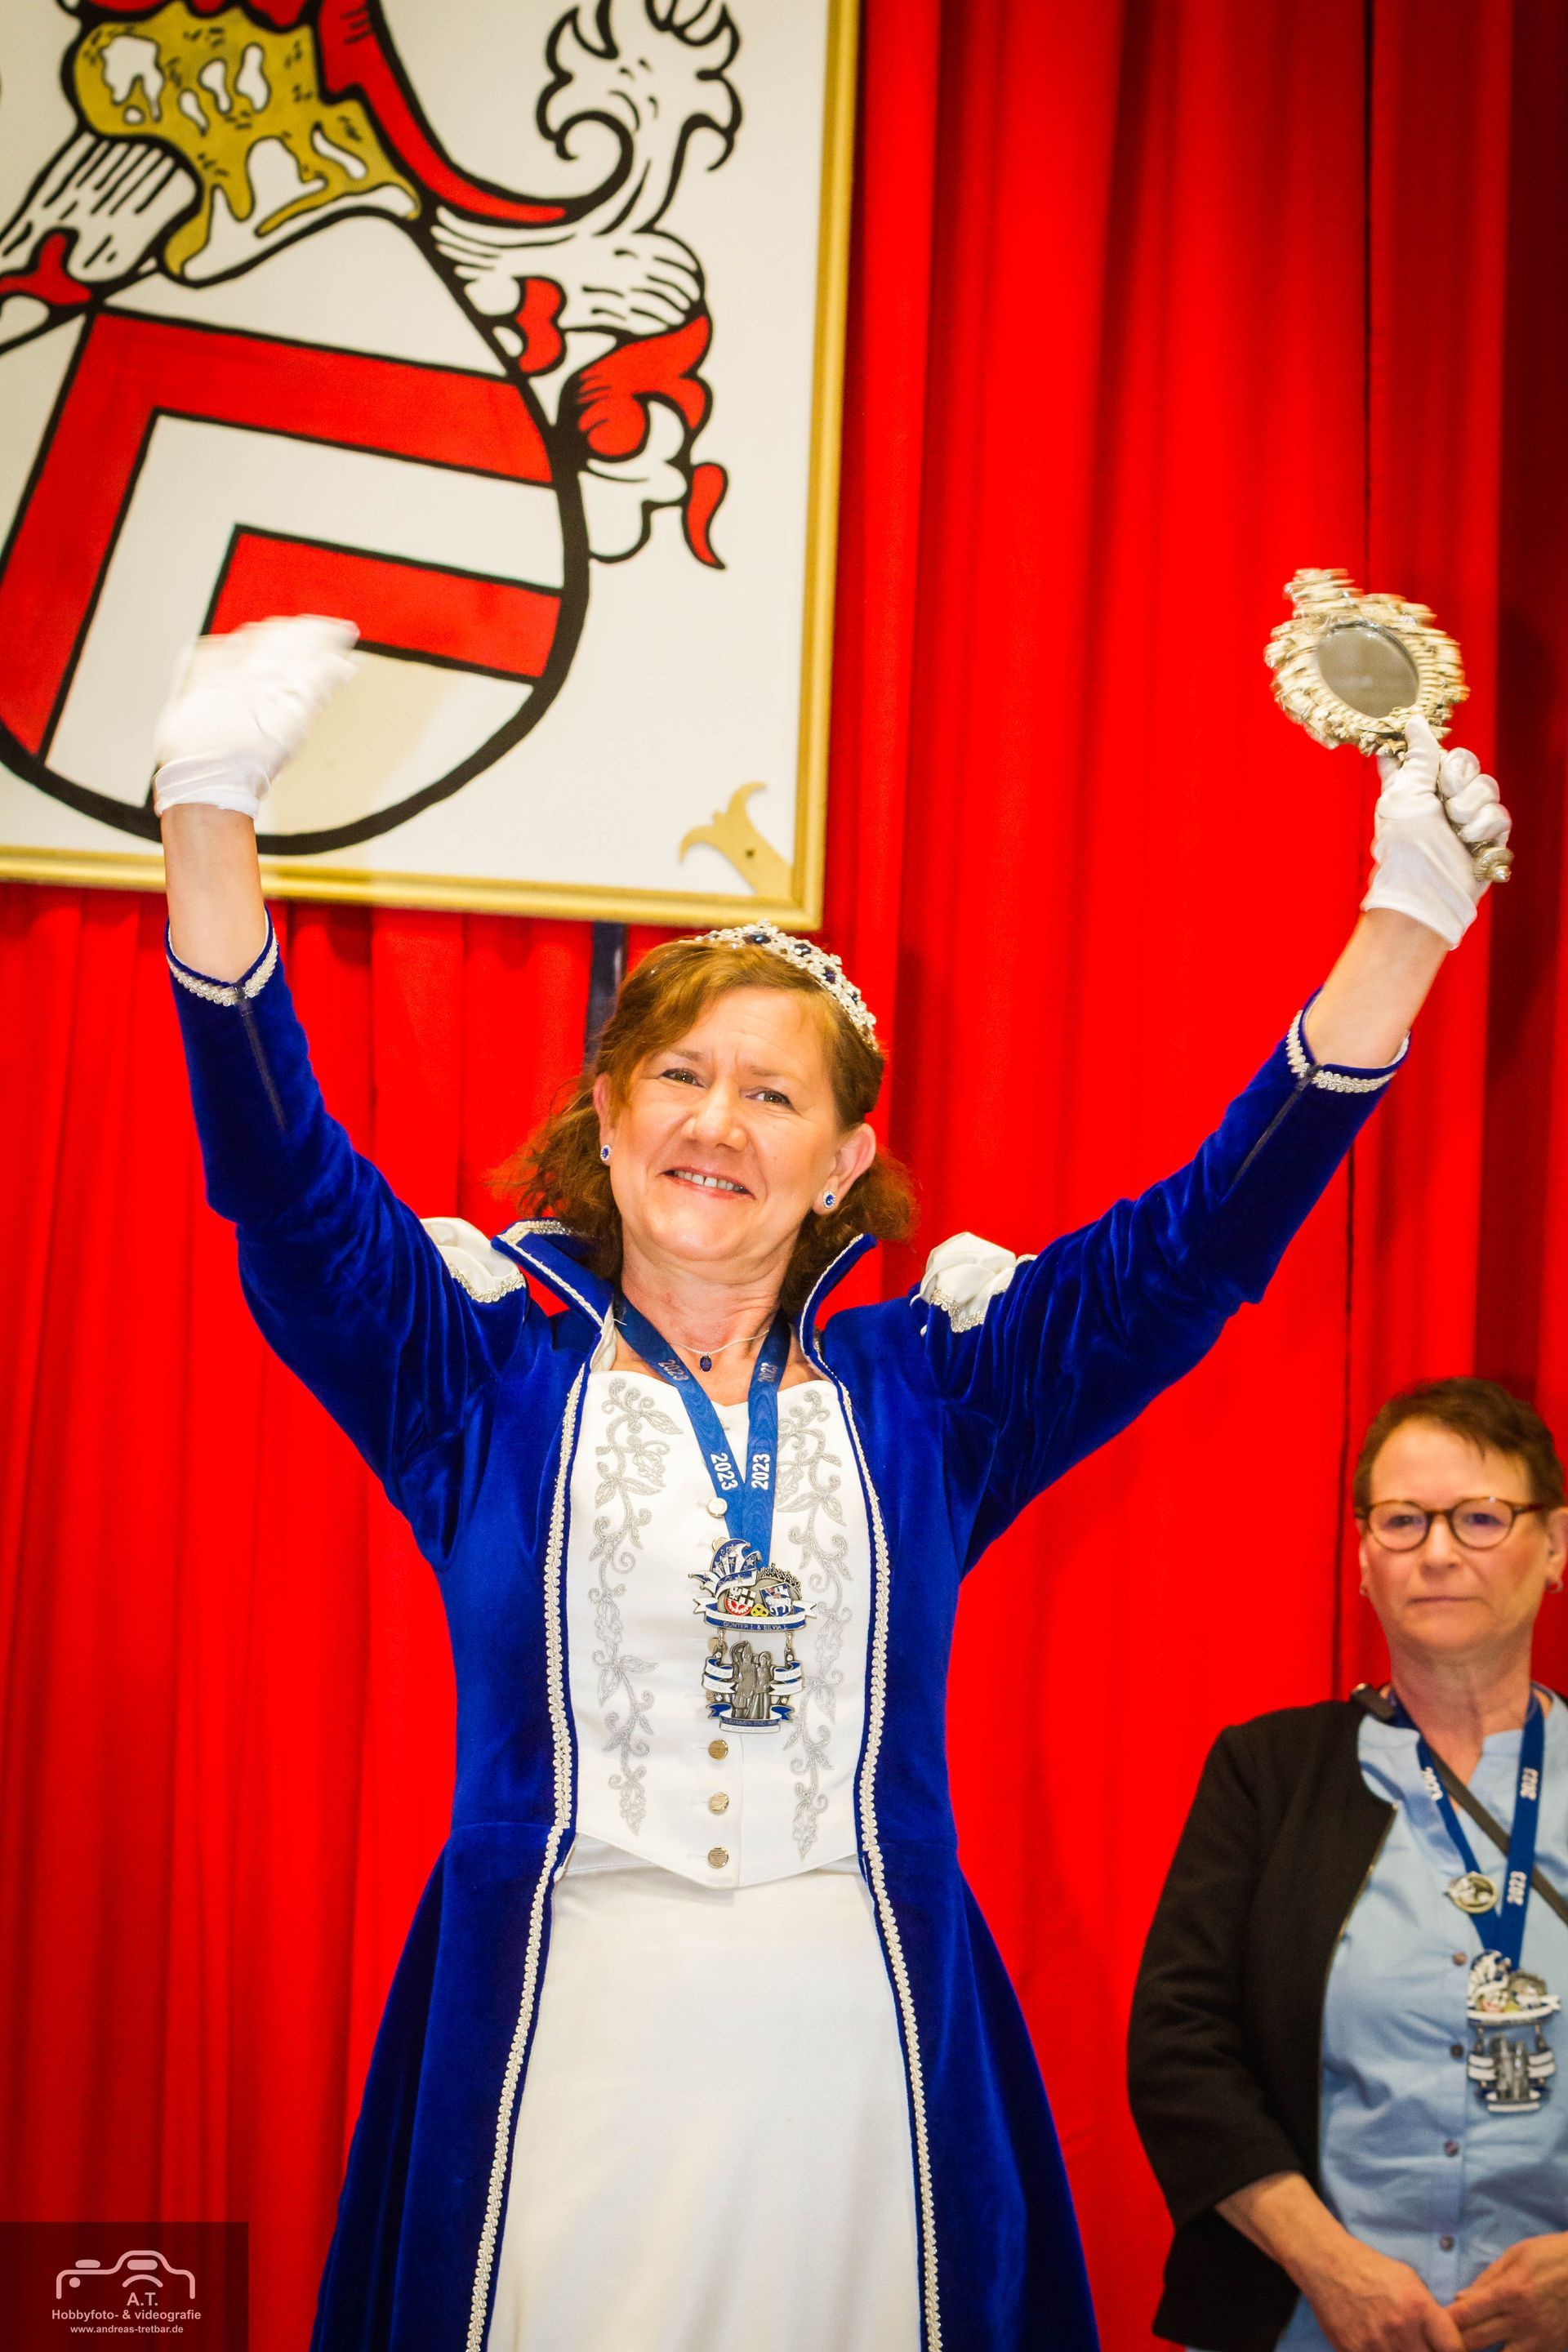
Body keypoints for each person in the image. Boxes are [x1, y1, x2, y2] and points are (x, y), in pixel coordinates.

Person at [152, 614, 1509, 2352]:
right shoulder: (476, 1368)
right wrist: (209, 809)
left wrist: (1405, 924)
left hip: (859, 2056)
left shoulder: (937, 1390)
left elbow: (1199, 1246)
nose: (717, 1122)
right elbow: (281, 1190)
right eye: (680, 1075)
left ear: (847, 1158)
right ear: (609, 1113)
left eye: (773, 1093)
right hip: (556, 2046)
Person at [1129, 1379, 1568, 2352]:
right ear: (1366, 1559)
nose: (1439, 1552)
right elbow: (1179, 2047)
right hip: (1305, 2321)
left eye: (1481, 1517)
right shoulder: (1268, 1773)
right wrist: (1326, 2265)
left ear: (1555, 1547)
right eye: (1403, 1521)